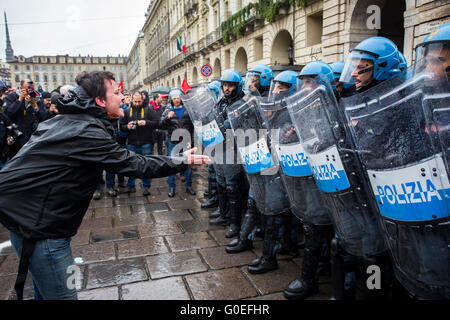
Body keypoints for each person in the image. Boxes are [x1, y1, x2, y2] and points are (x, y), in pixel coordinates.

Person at [0, 71, 210, 300]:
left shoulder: (74, 120)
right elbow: (134, 163)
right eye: (117, 92)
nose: (122, 97)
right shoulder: (85, 130)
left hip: (30, 224)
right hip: (42, 232)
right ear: (100, 101)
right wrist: (180, 161)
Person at [282, 62, 335, 299]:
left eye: (309, 81)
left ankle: (320, 278)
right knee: (314, 225)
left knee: (333, 233)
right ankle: (311, 277)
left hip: (334, 176)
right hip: (314, 176)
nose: (303, 86)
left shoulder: (334, 105)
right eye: (302, 81)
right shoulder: (303, 108)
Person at [226, 64, 273, 254]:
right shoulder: (248, 101)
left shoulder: (270, 101)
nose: (251, 83)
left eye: (255, 79)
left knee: (267, 205)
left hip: (270, 157)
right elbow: (235, 123)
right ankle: (246, 238)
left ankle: (253, 240)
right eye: (250, 79)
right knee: (254, 200)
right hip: (255, 152)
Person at [209, 70, 249, 239]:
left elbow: (228, 124)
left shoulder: (241, 103)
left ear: (237, 86)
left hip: (235, 149)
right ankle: (224, 214)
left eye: (230, 85)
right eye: (224, 85)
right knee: (221, 182)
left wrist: (215, 130)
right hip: (220, 147)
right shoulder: (222, 102)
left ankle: (234, 224)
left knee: (232, 186)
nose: (226, 88)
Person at [120, 91, 160, 196]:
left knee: (146, 165)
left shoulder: (149, 109)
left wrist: (146, 122)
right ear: (132, 100)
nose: (137, 103)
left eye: (139, 101)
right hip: (132, 143)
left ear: (142, 100)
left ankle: (146, 187)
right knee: (131, 165)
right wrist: (127, 127)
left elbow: (157, 123)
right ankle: (130, 185)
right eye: (135, 101)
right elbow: (122, 126)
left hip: (146, 142)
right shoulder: (127, 111)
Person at [159, 88, 196, 197]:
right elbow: (161, 125)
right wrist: (167, 118)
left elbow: (193, 126)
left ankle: (188, 186)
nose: (176, 100)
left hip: (186, 142)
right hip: (173, 142)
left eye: (178, 98)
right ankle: (171, 187)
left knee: (187, 165)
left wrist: (190, 141)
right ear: (171, 99)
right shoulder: (168, 110)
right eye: (174, 98)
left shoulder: (187, 110)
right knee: (172, 165)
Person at [3, 79, 49, 158]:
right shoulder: (12, 97)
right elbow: (8, 114)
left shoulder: (37, 98)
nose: (29, 92)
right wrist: (20, 99)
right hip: (17, 139)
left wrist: (34, 105)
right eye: (27, 89)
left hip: (33, 138)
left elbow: (44, 118)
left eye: (31, 89)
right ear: (21, 89)